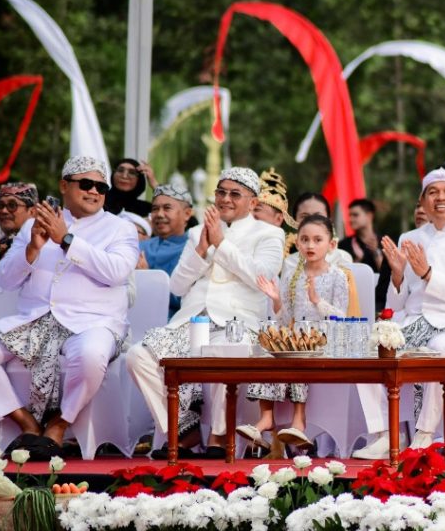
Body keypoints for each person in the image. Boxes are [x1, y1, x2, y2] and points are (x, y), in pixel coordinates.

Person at [0, 155, 138, 459]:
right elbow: (5, 279)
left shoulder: (120, 228)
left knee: (91, 355)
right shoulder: (34, 224)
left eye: (101, 187)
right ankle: (25, 422)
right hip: (35, 321)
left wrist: (66, 239)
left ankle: (59, 424)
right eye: (86, 184)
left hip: (93, 322)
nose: (94, 191)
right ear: (64, 186)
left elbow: (117, 272)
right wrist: (32, 248)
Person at [126, 167, 286, 459]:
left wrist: (221, 244)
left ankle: (218, 438)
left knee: (228, 353)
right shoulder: (196, 232)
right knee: (138, 356)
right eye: (221, 192)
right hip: (193, 320)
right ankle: (181, 431)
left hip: (237, 322)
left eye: (235, 194)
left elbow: (262, 277)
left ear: (252, 202)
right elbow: (177, 285)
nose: (225, 199)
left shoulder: (269, 234)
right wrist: (201, 249)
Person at [352, 166, 445, 459]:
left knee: (439, 347)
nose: (440, 198)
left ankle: (425, 434)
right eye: (433, 192)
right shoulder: (410, 236)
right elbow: (399, 304)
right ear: (423, 200)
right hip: (414, 321)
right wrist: (398, 275)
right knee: (369, 348)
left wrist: (428, 274)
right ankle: (385, 434)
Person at [237, 214, 348, 453]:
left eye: (317, 240)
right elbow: (285, 319)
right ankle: (266, 417)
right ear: (297, 243)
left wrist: (317, 301)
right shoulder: (292, 275)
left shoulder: (337, 275)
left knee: (299, 355)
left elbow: (341, 317)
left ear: (331, 244)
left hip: (323, 339)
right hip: (296, 336)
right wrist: (276, 299)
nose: (310, 245)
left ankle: (299, 419)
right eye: (305, 239)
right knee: (269, 354)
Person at [138, 183, 194, 319]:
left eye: (167, 208)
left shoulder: (194, 251)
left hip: (174, 323)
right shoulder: (140, 247)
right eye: (155, 209)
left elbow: (187, 299)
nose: (159, 214)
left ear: (187, 214)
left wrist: (147, 278)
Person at [339, 198, 383, 272]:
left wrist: (376, 252)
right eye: (350, 215)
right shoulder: (344, 245)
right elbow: (342, 275)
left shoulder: (385, 243)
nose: (350, 219)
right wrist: (357, 260)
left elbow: (389, 275)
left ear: (369, 216)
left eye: (355, 215)